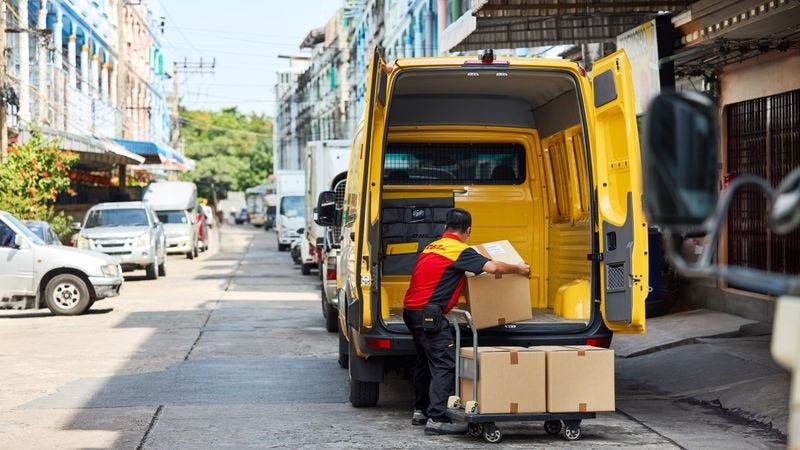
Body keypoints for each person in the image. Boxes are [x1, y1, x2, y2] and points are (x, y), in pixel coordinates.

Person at [403, 208, 530, 435]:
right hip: (429, 315)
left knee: (425, 361)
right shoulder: (460, 250)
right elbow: (493, 268)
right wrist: (518, 268)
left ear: (445, 228)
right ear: (468, 231)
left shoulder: (432, 246)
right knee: (445, 363)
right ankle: (437, 418)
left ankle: (420, 411)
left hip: (411, 311)